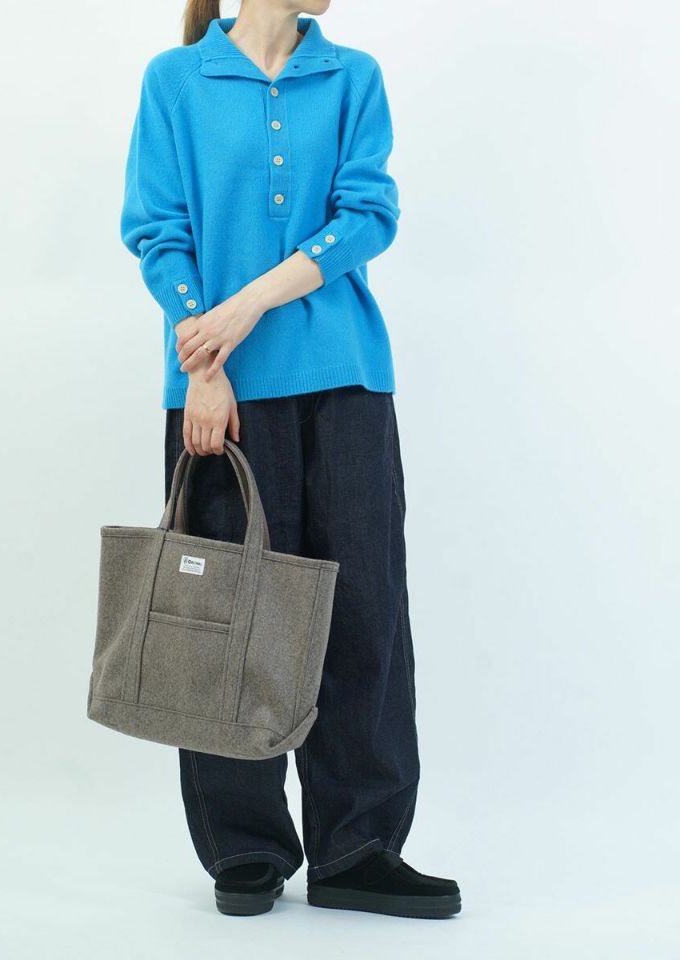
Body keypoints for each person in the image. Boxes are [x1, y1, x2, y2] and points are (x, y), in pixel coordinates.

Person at [120, 0, 461, 918]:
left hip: (346, 379)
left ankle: (358, 847)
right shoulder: (176, 81)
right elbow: (157, 229)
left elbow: (367, 217)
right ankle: (245, 846)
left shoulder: (353, 77)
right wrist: (205, 368)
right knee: (228, 615)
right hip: (220, 393)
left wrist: (247, 305)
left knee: (365, 611)